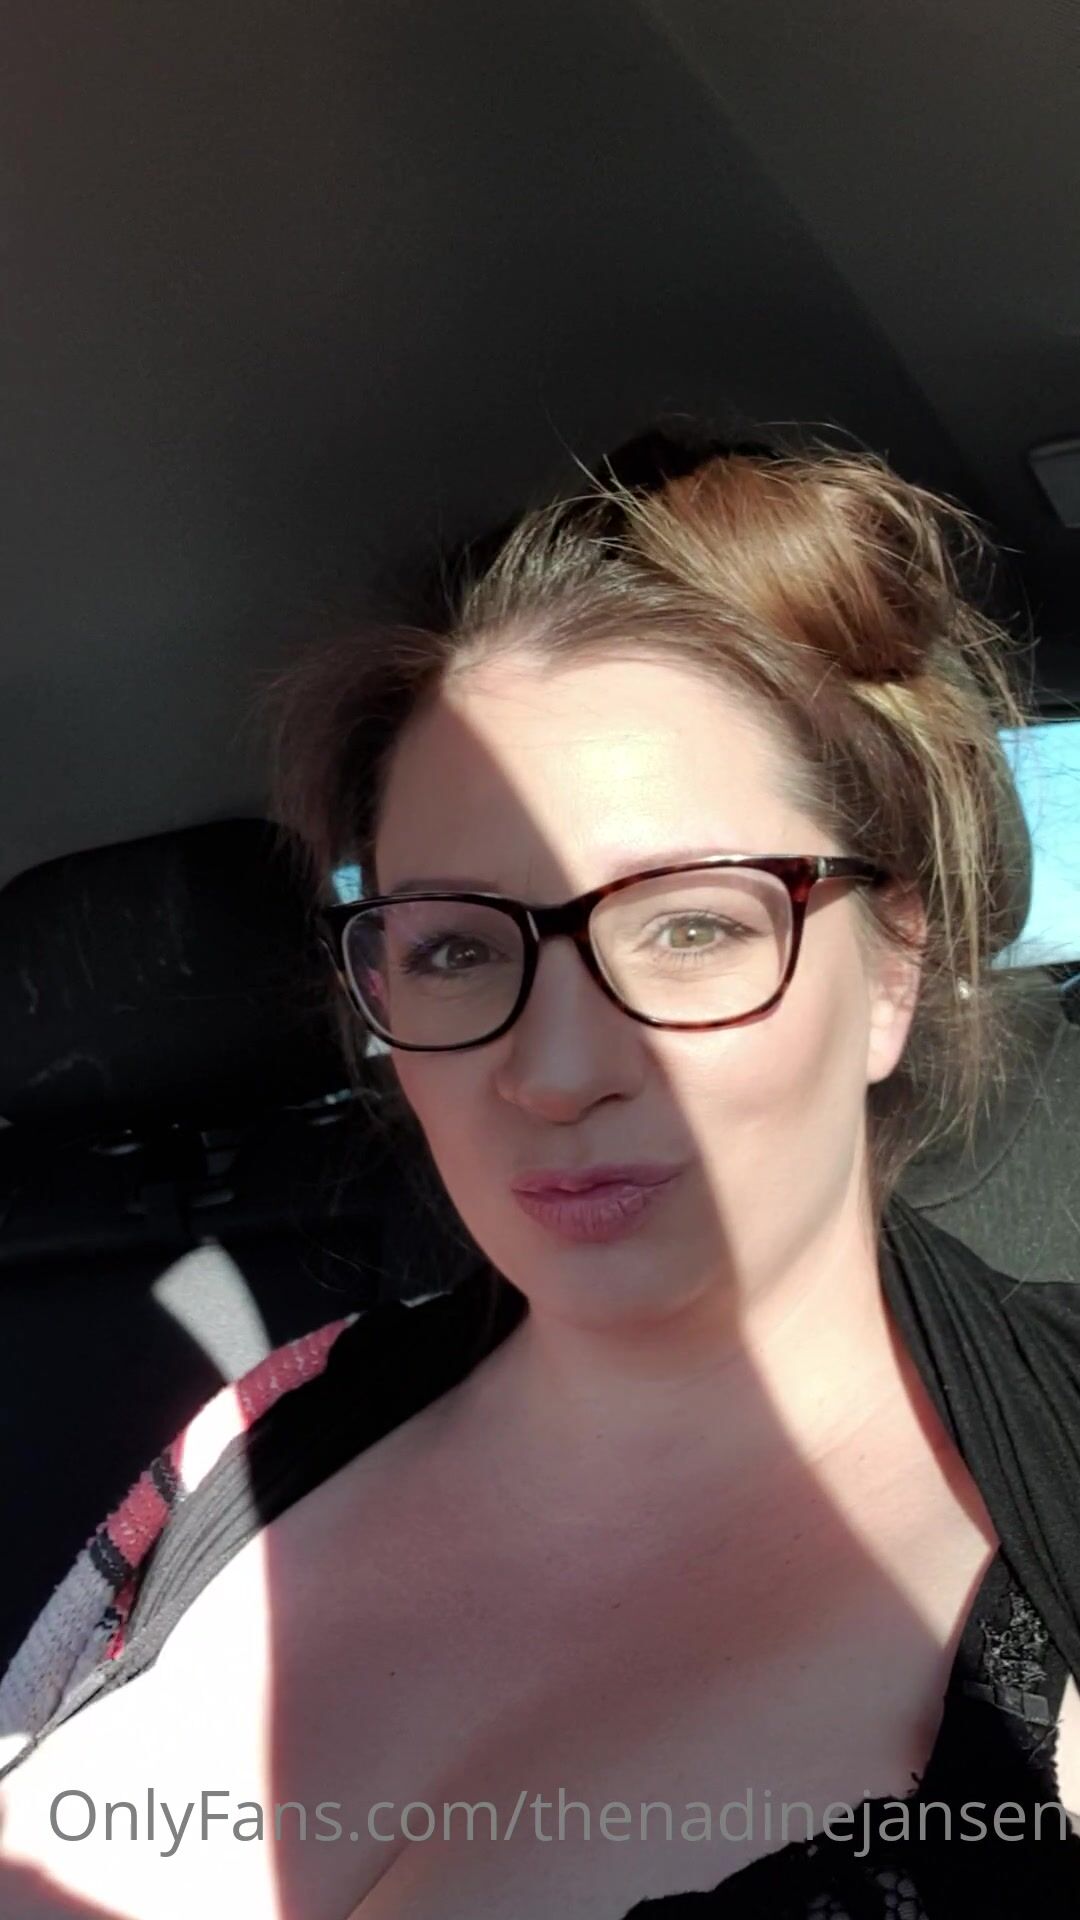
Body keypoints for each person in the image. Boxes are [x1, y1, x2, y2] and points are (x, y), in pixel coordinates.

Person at [3, 435, 1080, 1920]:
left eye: (692, 926)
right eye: (453, 946)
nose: (557, 1069)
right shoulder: (266, 1425)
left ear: (893, 965)